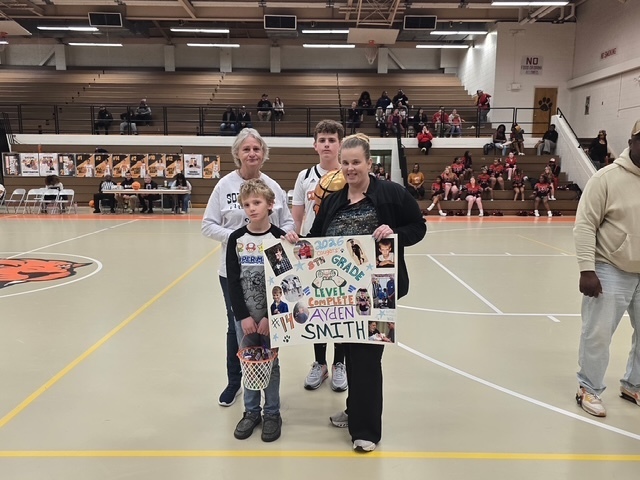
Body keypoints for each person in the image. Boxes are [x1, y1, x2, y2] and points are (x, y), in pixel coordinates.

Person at [285, 133, 426, 453]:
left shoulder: (391, 194)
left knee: (367, 359)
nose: (350, 168)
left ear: (369, 162)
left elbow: (418, 227)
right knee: (351, 354)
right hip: (340, 295)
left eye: (356, 162)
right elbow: (318, 239)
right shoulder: (334, 198)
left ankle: (367, 431)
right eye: (345, 163)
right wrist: (298, 242)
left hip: (377, 296)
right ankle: (354, 412)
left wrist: (394, 233)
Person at [202, 128, 294, 407]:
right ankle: (236, 383)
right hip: (233, 270)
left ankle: (270, 394)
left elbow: (287, 223)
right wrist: (240, 240)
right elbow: (208, 225)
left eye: (256, 149)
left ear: (263, 154)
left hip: (269, 270)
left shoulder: (273, 187)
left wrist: (280, 237)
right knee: (237, 325)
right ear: (237, 154)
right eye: (246, 149)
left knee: (269, 327)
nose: (252, 153)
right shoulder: (224, 185)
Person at [573, 119, 640, 417]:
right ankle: (589, 388)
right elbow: (585, 225)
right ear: (631, 142)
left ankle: (634, 385)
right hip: (610, 267)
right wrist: (587, 269)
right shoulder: (606, 178)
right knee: (598, 332)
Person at [226, 178, 285, 442]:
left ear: (270, 205)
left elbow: (287, 281)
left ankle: (272, 412)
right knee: (249, 363)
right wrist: (243, 316)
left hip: (272, 318)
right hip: (246, 319)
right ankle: (251, 412)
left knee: (270, 364)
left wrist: (273, 318)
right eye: (246, 204)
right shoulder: (236, 239)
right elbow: (233, 282)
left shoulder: (279, 238)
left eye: (257, 203)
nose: (251, 208)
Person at [291, 119, 348, 392]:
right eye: (322, 140)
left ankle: (339, 363)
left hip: (340, 248)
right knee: (315, 305)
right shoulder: (305, 176)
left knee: (339, 305)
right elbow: (298, 213)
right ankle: (319, 363)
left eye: (332, 140)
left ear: (340, 144)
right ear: (315, 145)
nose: (327, 144)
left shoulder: (348, 173)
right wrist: (295, 239)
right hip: (312, 248)